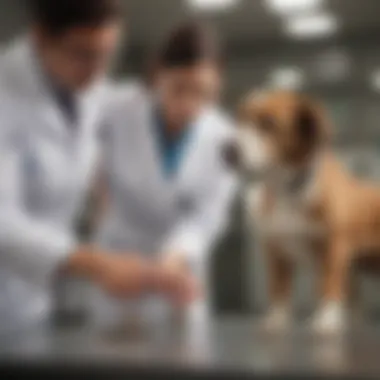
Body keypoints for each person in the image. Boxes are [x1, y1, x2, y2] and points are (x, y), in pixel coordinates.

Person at [0, 0, 195, 334]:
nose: (96, 69)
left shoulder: (85, 90)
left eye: (106, 54)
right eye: (83, 54)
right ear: (39, 38)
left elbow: (131, 104)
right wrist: (98, 265)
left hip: (30, 306)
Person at [93, 22, 237, 322]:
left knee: (182, 363)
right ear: (159, 74)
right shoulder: (119, 108)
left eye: (203, 93)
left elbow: (209, 215)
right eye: (179, 89)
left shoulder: (224, 137)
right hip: (121, 262)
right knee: (110, 363)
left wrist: (176, 253)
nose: (189, 105)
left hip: (181, 270)